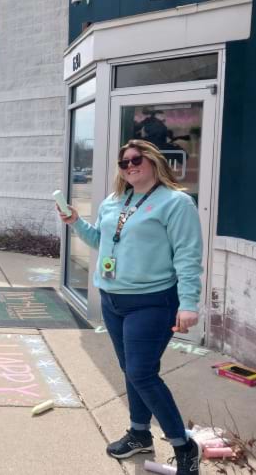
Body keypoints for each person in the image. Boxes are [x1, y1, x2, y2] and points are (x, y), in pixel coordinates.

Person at [57, 139, 202, 474]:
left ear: (153, 160)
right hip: (112, 299)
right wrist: (76, 222)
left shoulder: (176, 203)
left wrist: (189, 303)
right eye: (124, 163)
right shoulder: (114, 201)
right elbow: (101, 242)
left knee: (141, 372)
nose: (130, 166)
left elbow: (188, 256)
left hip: (152, 302)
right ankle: (139, 433)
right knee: (131, 371)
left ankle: (184, 446)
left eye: (137, 159)